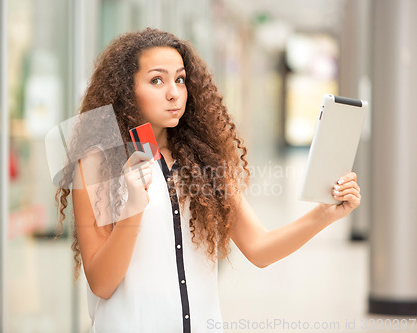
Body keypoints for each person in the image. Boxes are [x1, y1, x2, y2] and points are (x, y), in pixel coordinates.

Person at [54, 27, 361, 333]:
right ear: (125, 90)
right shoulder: (97, 164)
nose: (173, 92)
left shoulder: (204, 160)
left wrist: (323, 215)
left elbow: (259, 248)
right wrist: (131, 211)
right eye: (156, 80)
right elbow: (102, 284)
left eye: (180, 79)